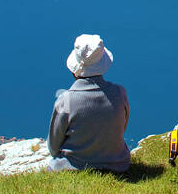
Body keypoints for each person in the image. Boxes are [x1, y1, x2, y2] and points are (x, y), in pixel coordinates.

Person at [47, 33, 131, 173]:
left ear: (74, 69)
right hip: (118, 165)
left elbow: (53, 146)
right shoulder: (119, 93)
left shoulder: (66, 100)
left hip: (73, 168)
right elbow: (121, 128)